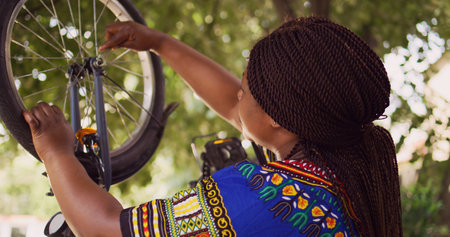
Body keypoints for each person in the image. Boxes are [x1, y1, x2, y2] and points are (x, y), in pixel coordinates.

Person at [23, 17, 402, 236]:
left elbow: (106, 229)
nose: (236, 97)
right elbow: (240, 110)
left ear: (279, 118)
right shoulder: (341, 179)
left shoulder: (260, 196)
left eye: (245, 91)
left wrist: (55, 151)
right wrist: (159, 43)